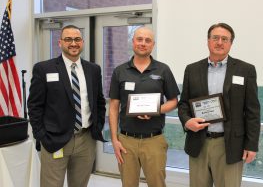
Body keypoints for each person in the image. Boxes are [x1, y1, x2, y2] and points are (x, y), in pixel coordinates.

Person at [178, 23, 260, 187]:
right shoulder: (192, 69)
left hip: (230, 145)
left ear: (231, 43)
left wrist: (251, 145)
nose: (219, 42)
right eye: (215, 38)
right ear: (208, 41)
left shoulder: (246, 70)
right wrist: (187, 121)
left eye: (225, 39)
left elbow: (252, 111)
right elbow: (184, 104)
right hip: (198, 142)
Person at [28, 25, 106, 187]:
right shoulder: (44, 69)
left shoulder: (93, 69)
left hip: (86, 140)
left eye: (77, 39)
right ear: (60, 43)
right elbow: (34, 106)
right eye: (68, 39)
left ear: (82, 42)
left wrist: (97, 126)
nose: (73, 43)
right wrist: (41, 136)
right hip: (54, 140)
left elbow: (99, 101)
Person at [109, 26, 180, 187]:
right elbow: (113, 107)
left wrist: (155, 110)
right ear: (133, 42)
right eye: (139, 39)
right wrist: (115, 139)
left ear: (152, 45)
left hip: (154, 140)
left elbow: (174, 100)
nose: (143, 43)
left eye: (147, 40)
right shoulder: (120, 71)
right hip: (126, 141)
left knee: (157, 184)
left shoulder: (163, 70)